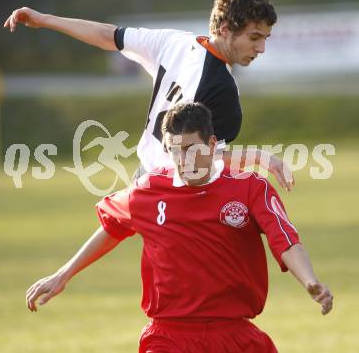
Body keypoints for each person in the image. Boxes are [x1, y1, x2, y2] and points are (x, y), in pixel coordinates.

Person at [26, 102, 333, 353]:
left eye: (191, 148)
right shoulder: (146, 190)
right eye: (174, 150)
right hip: (169, 337)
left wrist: (309, 281)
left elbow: (285, 240)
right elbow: (112, 227)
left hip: (235, 336)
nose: (183, 159)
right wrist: (62, 274)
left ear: (212, 145)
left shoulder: (251, 188)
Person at [4, 0, 294, 191]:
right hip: (176, 192)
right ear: (225, 29)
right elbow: (209, 159)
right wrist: (261, 157)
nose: (262, 48)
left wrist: (45, 20)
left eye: (265, 38)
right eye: (255, 37)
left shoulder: (175, 43)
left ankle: (61, 276)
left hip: (144, 180)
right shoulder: (224, 91)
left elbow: (108, 36)